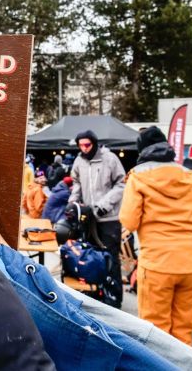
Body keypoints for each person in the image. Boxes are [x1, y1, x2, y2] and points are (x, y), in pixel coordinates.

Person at [119, 126, 192, 345]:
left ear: (141, 150)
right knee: (183, 333)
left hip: (157, 265)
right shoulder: (190, 176)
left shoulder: (137, 177)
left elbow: (129, 221)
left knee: (156, 336)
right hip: (191, 264)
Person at [69, 129, 126, 308]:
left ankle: (114, 298)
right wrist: (73, 203)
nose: (84, 148)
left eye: (87, 145)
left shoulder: (110, 159)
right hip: (89, 218)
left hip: (108, 218)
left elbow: (121, 183)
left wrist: (104, 205)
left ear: (94, 143)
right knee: (92, 257)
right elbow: (76, 182)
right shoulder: (79, 161)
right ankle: (95, 296)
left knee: (110, 257)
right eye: (80, 145)